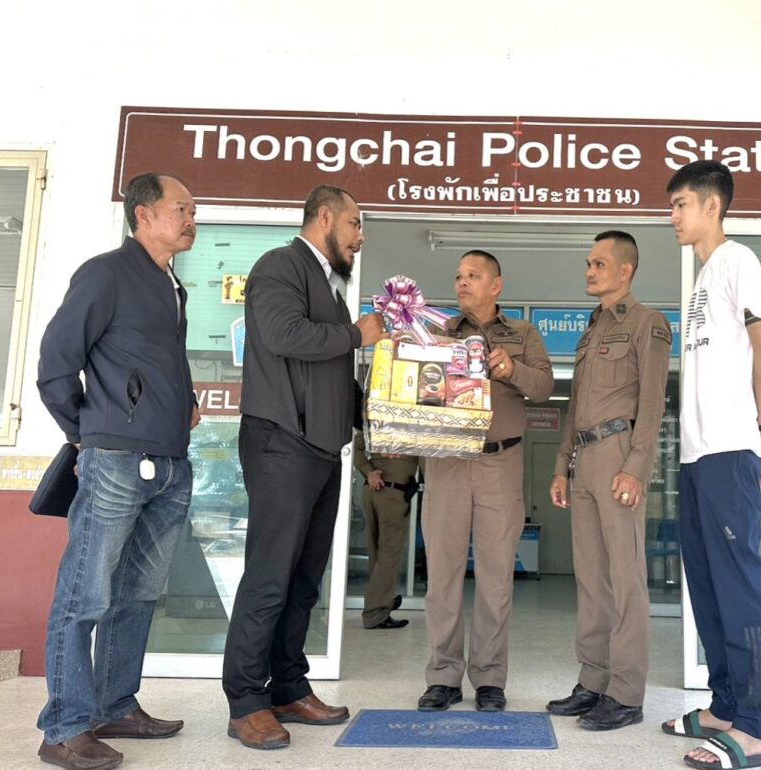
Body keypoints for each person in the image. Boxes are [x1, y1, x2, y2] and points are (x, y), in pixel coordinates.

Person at [35, 173, 201, 770]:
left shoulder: (171, 284)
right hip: (115, 459)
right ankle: (64, 728)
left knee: (139, 593)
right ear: (144, 215)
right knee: (85, 596)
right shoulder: (105, 273)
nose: (191, 219)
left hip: (169, 460)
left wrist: (182, 404)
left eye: (193, 210)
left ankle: (114, 706)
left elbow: (153, 360)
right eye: (181, 209)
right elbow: (56, 363)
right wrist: (87, 433)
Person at [221, 185, 387, 750]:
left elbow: (333, 375)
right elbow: (282, 334)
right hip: (281, 443)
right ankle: (246, 701)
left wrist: (387, 412)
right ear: (325, 217)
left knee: (302, 581)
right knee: (269, 577)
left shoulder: (329, 287)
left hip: (321, 448)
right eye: (356, 224)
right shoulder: (280, 265)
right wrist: (356, 334)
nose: (360, 237)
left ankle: (288, 687)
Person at [662, 160, 761, 770]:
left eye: (680, 204)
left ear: (712, 206)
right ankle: (724, 706)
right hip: (696, 454)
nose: (673, 216)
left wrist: (760, 431)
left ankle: (755, 730)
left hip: (728, 450)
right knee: (707, 586)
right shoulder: (703, 276)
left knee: (739, 587)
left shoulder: (739, 261)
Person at [418, 250, 553, 713]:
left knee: (496, 578)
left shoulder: (523, 333)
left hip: (500, 463)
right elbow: (416, 392)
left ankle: (490, 678)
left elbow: (544, 387)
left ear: (496, 285)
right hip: (447, 461)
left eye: (473, 275)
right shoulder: (437, 332)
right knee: (443, 575)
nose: (462, 282)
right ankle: (443, 676)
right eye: (458, 275)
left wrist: (512, 369)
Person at [546, 231, 671, 731]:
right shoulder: (590, 330)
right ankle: (593, 682)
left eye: (599, 263)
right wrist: (561, 465)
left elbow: (653, 401)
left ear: (625, 270)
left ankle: (626, 693)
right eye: (588, 263)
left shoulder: (647, 322)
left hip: (620, 454)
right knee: (591, 579)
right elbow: (575, 405)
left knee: (625, 581)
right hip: (585, 458)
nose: (590, 271)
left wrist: (636, 467)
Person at [352, 431, 418, 629]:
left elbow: (355, 447)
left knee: (378, 554)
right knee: (389, 555)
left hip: (373, 489)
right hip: (394, 494)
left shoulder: (380, 420)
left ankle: (382, 602)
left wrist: (369, 472)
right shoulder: (415, 426)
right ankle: (376, 612)